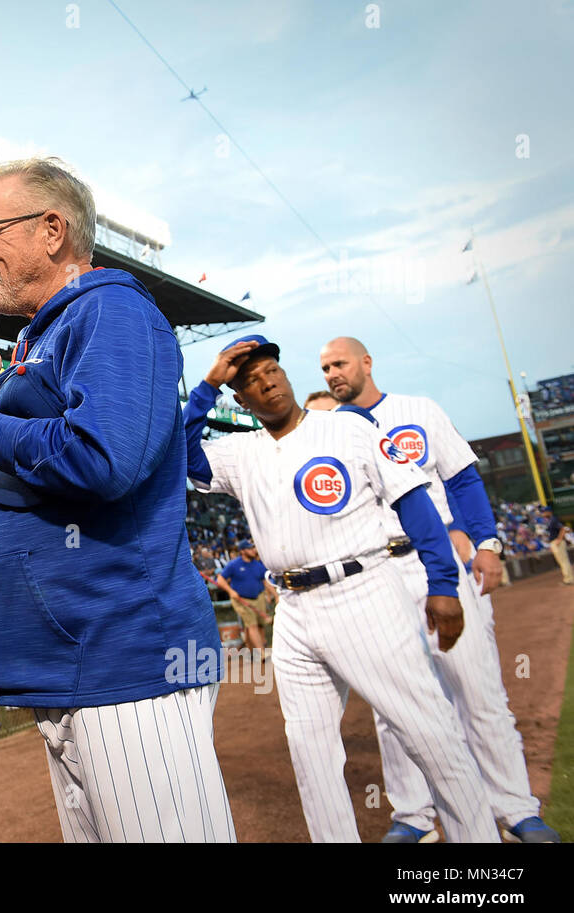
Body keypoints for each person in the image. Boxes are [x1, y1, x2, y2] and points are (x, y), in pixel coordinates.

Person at [0, 156, 232, 843]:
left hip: (126, 662)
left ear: (52, 230)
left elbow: (103, 459)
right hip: (75, 669)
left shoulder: (110, 309)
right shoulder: (47, 331)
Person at [185, 334, 497, 843]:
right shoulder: (240, 452)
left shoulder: (349, 429)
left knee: (428, 732)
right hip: (292, 609)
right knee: (309, 752)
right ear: (239, 399)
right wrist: (207, 384)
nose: (267, 382)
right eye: (250, 381)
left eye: (272, 371)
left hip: (363, 592)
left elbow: (414, 504)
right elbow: (179, 454)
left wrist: (443, 582)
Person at [321, 336, 559, 843]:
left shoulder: (418, 410)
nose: (332, 374)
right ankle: (414, 815)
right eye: (323, 368)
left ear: (367, 361)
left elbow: (463, 479)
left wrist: (487, 543)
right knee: (394, 705)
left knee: (478, 690)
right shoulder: (329, 430)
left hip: (438, 561)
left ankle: (514, 807)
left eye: (339, 363)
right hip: (378, 570)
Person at [215, 539, 275, 654]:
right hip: (241, 599)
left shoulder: (257, 564)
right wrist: (231, 592)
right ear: (242, 551)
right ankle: (261, 653)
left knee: (259, 625)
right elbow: (220, 579)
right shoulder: (234, 565)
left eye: (253, 548)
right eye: (250, 548)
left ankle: (251, 650)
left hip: (258, 597)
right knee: (252, 625)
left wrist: (274, 595)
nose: (253, 550)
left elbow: (265, 581)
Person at [542, 508, 573, 585]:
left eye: (544, 512)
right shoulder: (551, 520)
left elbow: (562, 529)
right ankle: (569, 578)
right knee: (563, 561)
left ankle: (568, 579)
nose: (543, 513)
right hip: (555, 542)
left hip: (557, 542)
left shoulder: (553, 519)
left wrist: (559, 539)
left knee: (563, 562)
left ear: (549, 512)